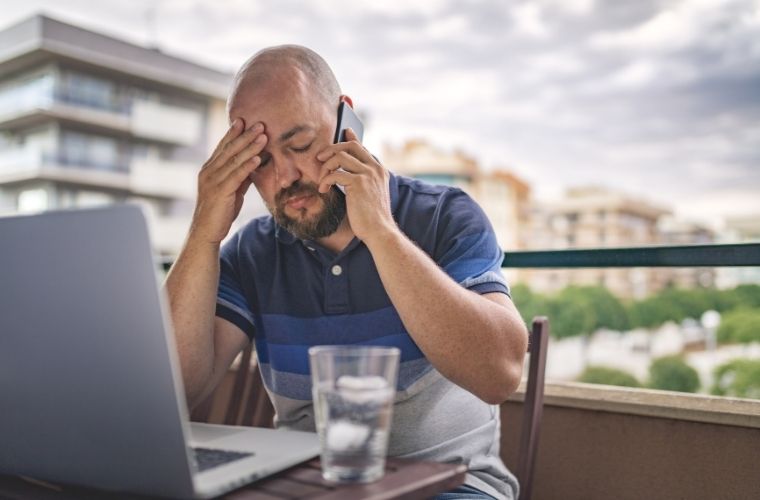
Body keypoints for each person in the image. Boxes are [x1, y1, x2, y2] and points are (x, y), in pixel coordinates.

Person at [165, 45, 528, 500]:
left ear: (346, 122)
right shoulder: (251, 252)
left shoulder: (445, 216)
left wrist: (380, 232)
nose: (286, 176)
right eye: (259, 161)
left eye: (300, 144)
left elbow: (499, 374)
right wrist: (203, 233)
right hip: (307, 487)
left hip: (452, 486)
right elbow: (171, 390)